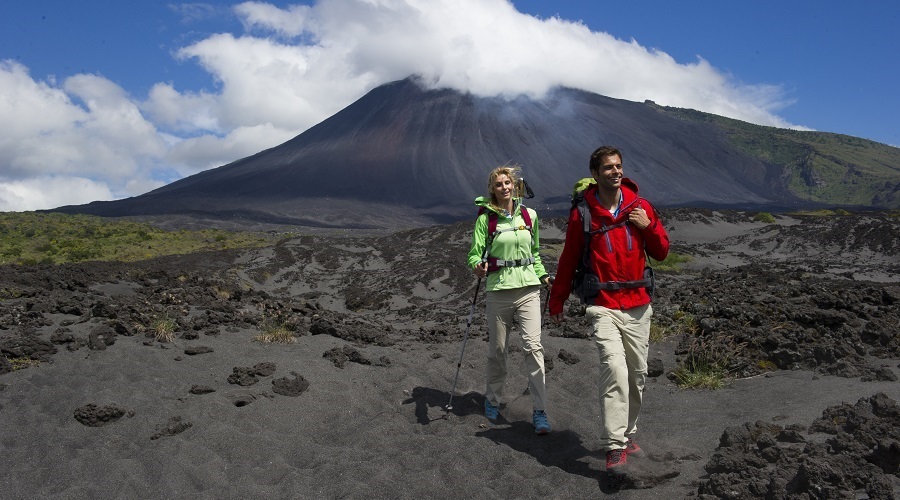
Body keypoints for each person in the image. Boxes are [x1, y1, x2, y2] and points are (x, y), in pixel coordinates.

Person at [548, 146, 669, 473]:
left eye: (618, 166)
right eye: (608, 168)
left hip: (639, 306)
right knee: (614, 369)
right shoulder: (583, 213)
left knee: (638, 374)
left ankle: (628, 435)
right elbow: (569, 258)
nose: (615, 171)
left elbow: (662, 252)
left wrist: (648, 227)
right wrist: (556, 300)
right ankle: (614, 445)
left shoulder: (640, 207)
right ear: (595, 174)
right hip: (602, 306)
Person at [467, 165, 552, 435]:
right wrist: (477, 266)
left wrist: (544, 276)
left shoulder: (530, 216)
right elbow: (474, 254)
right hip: (499, 290)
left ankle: (540, 411)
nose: (504, 187)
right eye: (498, 184)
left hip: (528, 289)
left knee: (533, 348)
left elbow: (535, 252)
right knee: (498, 350)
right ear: (492, 189)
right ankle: (492, 400)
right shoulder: (486, 219)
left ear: (515, 186)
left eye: (508, 183)